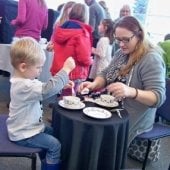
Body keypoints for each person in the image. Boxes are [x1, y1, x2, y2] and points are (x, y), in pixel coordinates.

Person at [78, 16, 166, 145]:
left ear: (139, 35)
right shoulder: (121, 53)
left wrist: (131, 92)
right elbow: (105, 74)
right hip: (115, 108)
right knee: (87, 124)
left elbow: (158, 98)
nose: (121, 44)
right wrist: (94, 84)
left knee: (97, 136)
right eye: (118, 40)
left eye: (126, 40)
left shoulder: (151, 59)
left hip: (134, 116)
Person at [6, 37, 75, 170]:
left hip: (29, 127)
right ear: (23, 66)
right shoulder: (23, 85)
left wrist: (62, 85)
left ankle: (47, 160)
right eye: (38, 67)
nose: (40, 70)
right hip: (23, 134)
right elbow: (46, 90)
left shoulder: (24, 80)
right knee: (55, 145)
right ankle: (50, 163)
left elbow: (43, 87)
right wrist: (65, 70)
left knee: (54, 132)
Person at [50, 3, 93, 94]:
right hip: (75, 72)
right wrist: (90, 61)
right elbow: (83, 58)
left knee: (64, 96)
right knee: (71, 100)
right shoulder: (82, 33)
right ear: (85, 16)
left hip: (60, 70)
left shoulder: (61, 29)